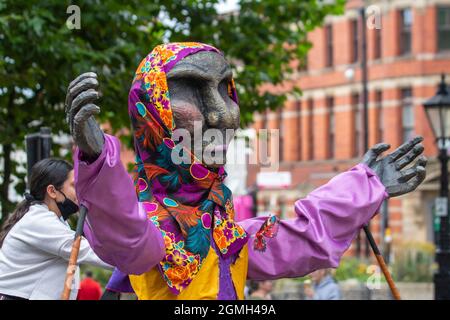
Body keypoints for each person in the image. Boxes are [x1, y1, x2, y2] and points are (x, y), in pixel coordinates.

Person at [65, 42, 426, 300]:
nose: (223, 114)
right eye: (191, 89)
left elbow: (301, 237)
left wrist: (366, 185)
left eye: (225, 88)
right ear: (150, 109)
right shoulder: (152, 232)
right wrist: (98, 161)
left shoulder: (227, 234)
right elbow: (129, 238)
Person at [0, 158, 113, 300]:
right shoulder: (39, 222)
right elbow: (91, 252)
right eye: (73, 186)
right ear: (52, 191)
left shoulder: (55, 221)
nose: (79, 192)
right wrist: (136, 260)